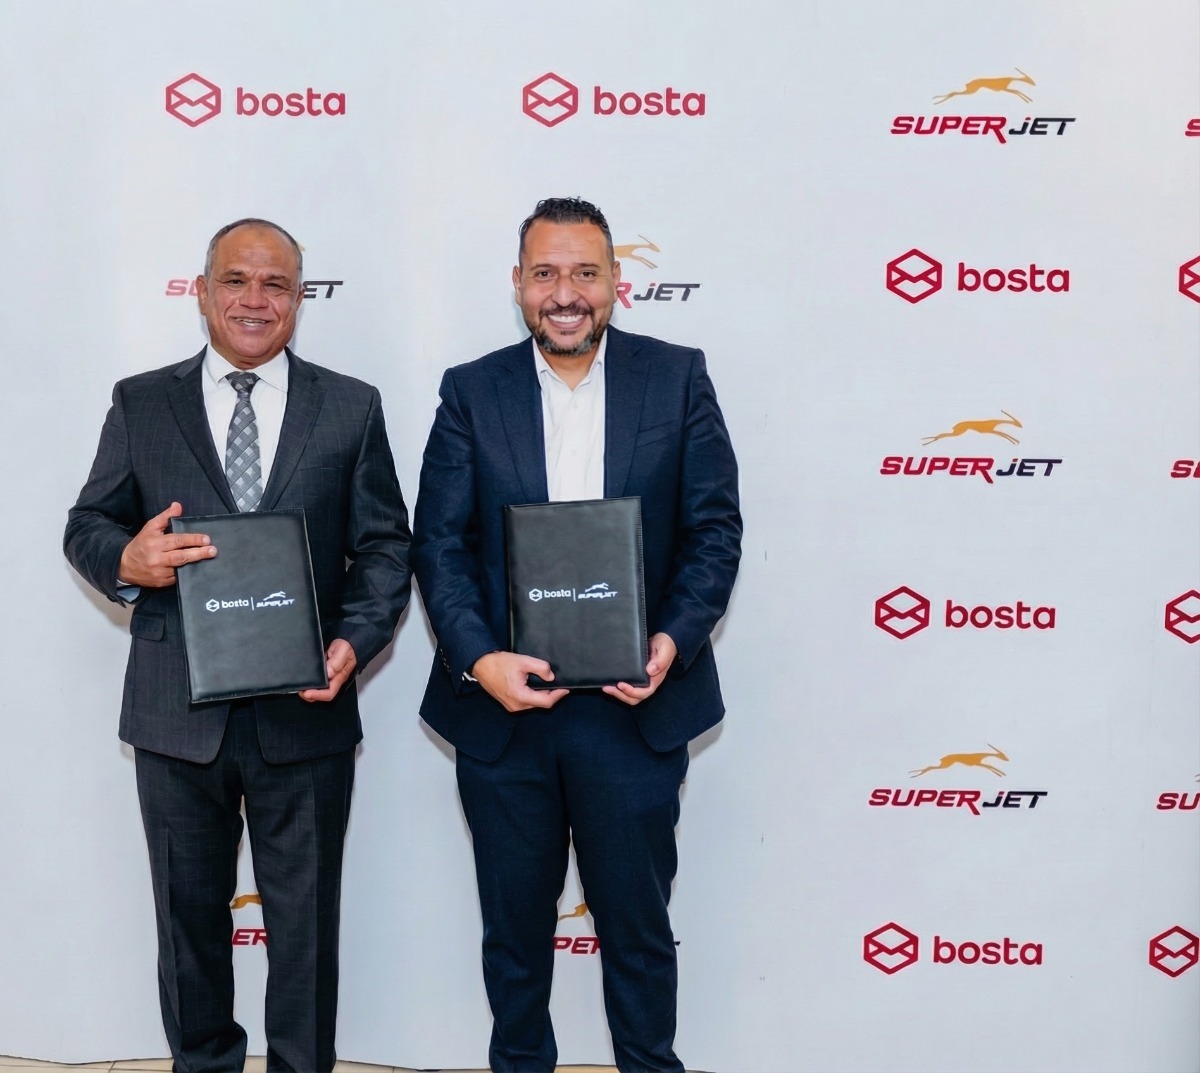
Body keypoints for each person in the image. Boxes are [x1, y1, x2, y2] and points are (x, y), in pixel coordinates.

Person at [64, 218, 411, 1073]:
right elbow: (88, 524)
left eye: (276, 284)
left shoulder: (352, 405)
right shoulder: (142, 402)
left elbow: (385, 547)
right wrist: (127, 560)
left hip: (306, 707)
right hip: (176, 713)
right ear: (201, 291)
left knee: (306, 932)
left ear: (300, 298)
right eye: (236, 280)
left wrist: (354, 641)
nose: (255, 299)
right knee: (187, 927)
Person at [411, 197, 741, 1073]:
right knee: (515, 940)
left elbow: (714, 531)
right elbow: (439, 544)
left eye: (586, 273)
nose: (566, 293)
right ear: (518, 284)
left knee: (639, 933)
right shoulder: (470, 390)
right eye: (547, 273)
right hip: (505, 714)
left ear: (617, 282)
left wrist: (669, 642)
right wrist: (481, 659)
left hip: (634, 710)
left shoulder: (676, 377)